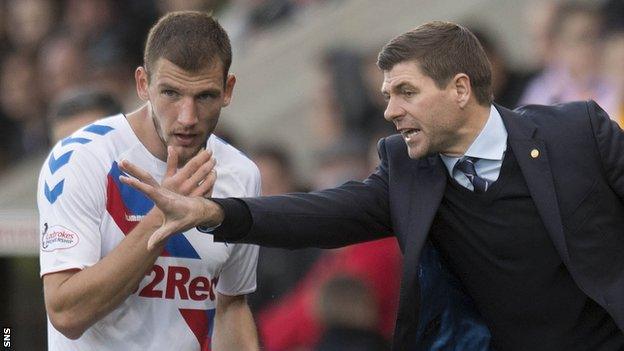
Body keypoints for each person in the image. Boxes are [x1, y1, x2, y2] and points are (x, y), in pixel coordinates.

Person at [121, 21, 624, 351]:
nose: (389, 111)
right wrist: (216, 214)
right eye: (386, 95)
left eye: (406, 91)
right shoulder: (407, 169)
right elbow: (321, 213)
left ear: (461, 88)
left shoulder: (575, 131)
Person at [38, 11, 260, 350]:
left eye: (205, 96)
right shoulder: (81, 159)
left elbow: (232, 305)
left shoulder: (241, 175)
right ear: (143, 84)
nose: (187, 118)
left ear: (228, 90)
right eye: (171, 93)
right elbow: (67, 314)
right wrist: (161, 221)